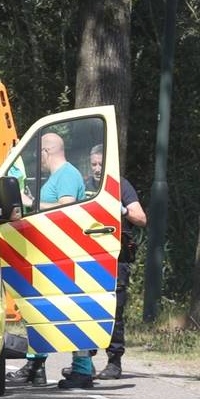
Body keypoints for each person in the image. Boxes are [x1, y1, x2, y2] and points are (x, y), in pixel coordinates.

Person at [60, 145, 148, 383]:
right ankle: (84, 363)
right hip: (88, 257)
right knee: (86, 309)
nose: (97, 169)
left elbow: (140, 218)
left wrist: (121, 209)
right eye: (94, 164)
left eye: (101, 164)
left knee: (114, 310)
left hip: (116, 258)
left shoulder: (120, 185)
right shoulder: (85, 186)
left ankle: (114, 362)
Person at [7, 133, 84, 388]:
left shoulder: (68, 175)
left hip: (64, 256)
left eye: (37, 154)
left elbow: (66, 208)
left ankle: (82, 369)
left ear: (46, 152)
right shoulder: (57, 177)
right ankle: (35, 365)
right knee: (41, 310)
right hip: (49, 254)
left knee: (72, 312)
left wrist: (31, 201)